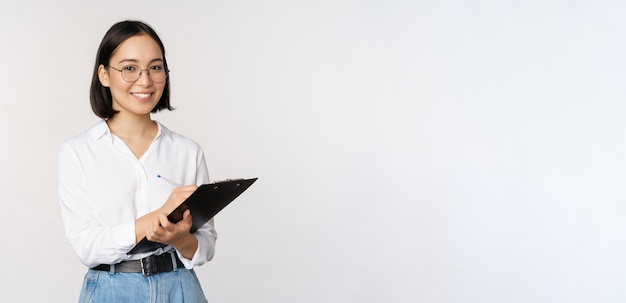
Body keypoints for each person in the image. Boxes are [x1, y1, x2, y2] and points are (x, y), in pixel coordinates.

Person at [58, 20, 216, 303]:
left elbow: (206, 244)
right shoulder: (78, 152)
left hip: (180, 288)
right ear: (104, 75)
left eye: (155, 67)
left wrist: (179, 239)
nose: (145, 81)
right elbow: (86, 247)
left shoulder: (187, 151)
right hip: (111, 290)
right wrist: (154, 219)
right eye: (129, 68)